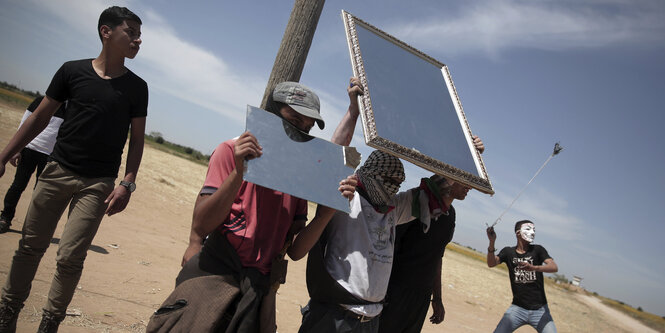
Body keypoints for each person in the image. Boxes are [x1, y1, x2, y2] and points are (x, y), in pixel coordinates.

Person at [169, 78, 364, 333]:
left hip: (260, 289)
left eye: (306, 128)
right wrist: (239, 172)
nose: (299, 132)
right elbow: (202, 224)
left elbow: (294, 251)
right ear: (271, 113)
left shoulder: (296, 174)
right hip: (215, 277)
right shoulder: (230, 151)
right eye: (294, 121)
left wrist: (325, 214)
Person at [0, 6, 147, 333]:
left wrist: (127, 183)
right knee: (30, 247)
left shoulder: (138, 88)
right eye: (131, 33)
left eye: (139, 35)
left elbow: (136, 141)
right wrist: (5, 154)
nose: (138, 40)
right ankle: (7, 314)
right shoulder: (71, 72)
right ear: (106, 32)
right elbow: (40, 117)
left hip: (97, 184)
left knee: (69, 257)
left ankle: (49, 323)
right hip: (57, 171)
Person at [298, 149, 449, 333]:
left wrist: (466, 158)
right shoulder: (345, 198)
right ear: (371, 173)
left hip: (370, 321)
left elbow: (438, 188)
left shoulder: (393, 209)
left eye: (398, 183)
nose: (394, 188)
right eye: (389, 181)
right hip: (335, 316)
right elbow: (333, 154)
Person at [377, 136, 485, 333]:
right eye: (465, 179)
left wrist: (437, 298)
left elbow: (437, 256)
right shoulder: (417, 204)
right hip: (394, 289)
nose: (470, 186)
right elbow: (389, 247)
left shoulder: (450, 215)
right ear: (449, 177)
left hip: (421, 296)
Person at [0, 97, 65, 234]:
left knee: (40, 193)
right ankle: (5, 218)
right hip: (29, 148)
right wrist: (17, 149)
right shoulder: (41, 101)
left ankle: (31, 227)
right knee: (18, 186)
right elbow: (25, 122)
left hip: (50, 156)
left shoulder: (70, 108)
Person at [486, 221, 559, 333]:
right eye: (528, 229)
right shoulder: (508, 252)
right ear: (518, 233)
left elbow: (553, 267)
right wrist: (492, 242)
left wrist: (534, 268)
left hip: (540, 310)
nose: (532, 232)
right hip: (517, 309)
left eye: (534, 230)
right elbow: (491, 263)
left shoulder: (538, 250)